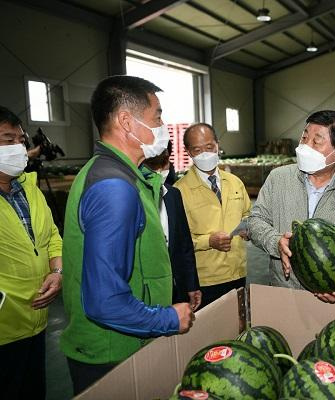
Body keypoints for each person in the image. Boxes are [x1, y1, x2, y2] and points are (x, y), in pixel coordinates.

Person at [60, 76, 194, 395]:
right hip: (112, 354)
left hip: (125, 341)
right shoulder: (114, 188)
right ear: (126, 122)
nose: (162, 126)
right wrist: (167, 319)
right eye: (157, 117)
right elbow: (104, 301)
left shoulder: (114, 175)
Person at [248, 110, 335, 304]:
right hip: (282, 291)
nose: (305, 146)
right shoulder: (278, 178)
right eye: (304, 138)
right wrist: (276, 241)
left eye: (316, 141)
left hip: (327, 298)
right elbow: (255, 220)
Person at [0, 106, 63, 399]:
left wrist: (57, 272)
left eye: (20, 140)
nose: (17, 147)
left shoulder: (30, 188)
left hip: (37, 321)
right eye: (7, 139)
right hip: (4, 330)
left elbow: (52, 237)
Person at [175, 123, 251, 307]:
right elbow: (177, 242)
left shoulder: (235, 182)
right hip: (205, 281)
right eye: (197, 150)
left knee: (238, 322)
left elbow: (248, 214)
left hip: (238, 273)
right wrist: (208, 241)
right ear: (189, 152)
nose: (205, 154)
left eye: (209, 147)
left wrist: (249, 229)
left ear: (218, 145)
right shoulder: (179, 191)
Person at [143, 144, 201, 308]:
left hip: (177, 287)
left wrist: (192, 285)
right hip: (147, 293)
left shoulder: (173, 195)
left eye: (163, 161)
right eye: (153, 164)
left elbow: (184, 244)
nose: (159, 169)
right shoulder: (135, 197)